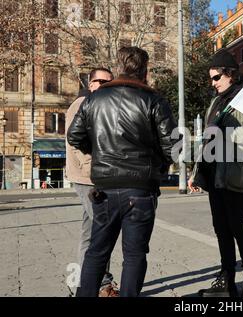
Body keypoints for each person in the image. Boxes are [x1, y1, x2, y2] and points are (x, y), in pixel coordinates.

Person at [67, 47, 177, 297]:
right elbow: (173, 147)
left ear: (118, 67)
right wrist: (156, 166)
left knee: (96, 251)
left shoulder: (94, 99)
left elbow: (74, 136)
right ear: (145, 70)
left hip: (104, 188)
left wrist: (99, 154)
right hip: (140, 189)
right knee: (135, 254)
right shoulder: (154, 100)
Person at [188, 50, 243, 297]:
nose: (213, 82)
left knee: (238, 227)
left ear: (231, 74)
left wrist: (222, 135)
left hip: (236, 173)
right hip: (215, 174)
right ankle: (227, 281)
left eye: (217, 77)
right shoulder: (217, 101)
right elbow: (207, 139)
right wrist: (196, 172)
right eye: (211, 78)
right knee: (221, 228)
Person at [65, 67, 118, 297]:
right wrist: (93, 171)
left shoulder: (96, 104)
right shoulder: (81, 104)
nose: (105, 85)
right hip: (88, 179)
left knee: (89, 232)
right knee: (103, 230)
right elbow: (76, 143)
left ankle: (79, 285)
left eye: (109, 82)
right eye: (100, 81)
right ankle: (102, 284)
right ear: (91, 84)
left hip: (90, 176)